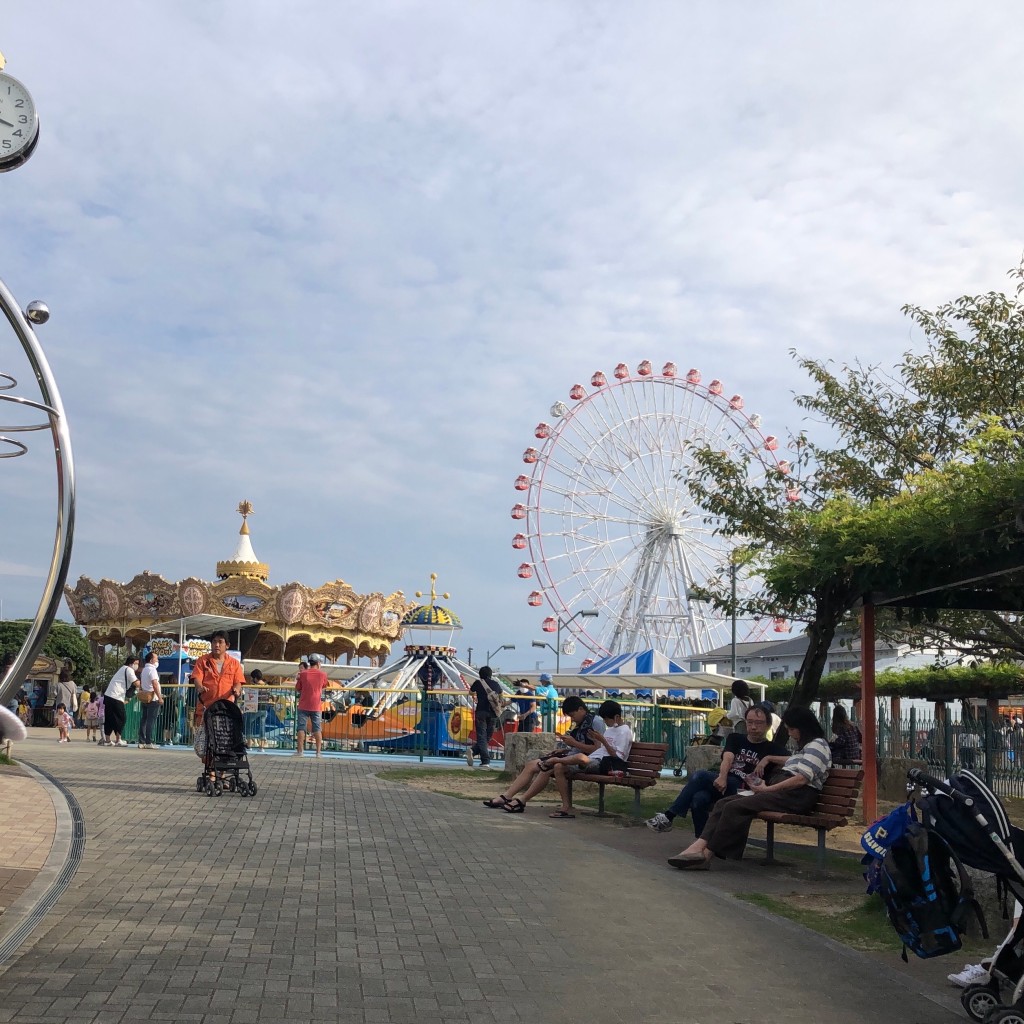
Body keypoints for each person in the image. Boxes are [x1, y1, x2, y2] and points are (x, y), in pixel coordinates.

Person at [666, 706, 832, 869]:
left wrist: (767, 790)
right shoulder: (807, 748)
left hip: (797, 796)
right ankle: (698, 847)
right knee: (723, 803)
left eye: (791, 729)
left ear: (802, 728)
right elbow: (792, 762)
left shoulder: (817, 745)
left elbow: (801, 779)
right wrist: (768, 759)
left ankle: (705, 856)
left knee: (734, 806)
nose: (789, 733)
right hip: (786, 792)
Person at [646, 703, 787, 835]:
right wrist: (722, 776)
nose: (753, 727)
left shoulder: (772, 748)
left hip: (745, 789)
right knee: (698, 799)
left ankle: (669, 816)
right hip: (724, 783)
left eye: (758, 723)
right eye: (750, 722)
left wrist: (768, 758)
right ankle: (702, 843)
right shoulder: (736, 738)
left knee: (700, 775)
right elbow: (728, 758)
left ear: (768, 725)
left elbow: (796, 759)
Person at [482, 695, 606, 813]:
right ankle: (507, 796)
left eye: (573, 716)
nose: (572, 719)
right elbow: (578, 747)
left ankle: (522, 800)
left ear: (581, 709)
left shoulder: (595, 722)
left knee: (546, 768)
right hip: (571, 755)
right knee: (531, 765)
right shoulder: (581, 722)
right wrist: (565, 749)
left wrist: (574, 743)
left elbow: (597, 749)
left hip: (585, 760)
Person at [549, 700, 633, 819]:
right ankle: (566, 806)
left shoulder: (625, 732)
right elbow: (601, 749)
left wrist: (603, 741)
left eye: (606, 719)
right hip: (595, 759)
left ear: (616, 717)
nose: (605, 722)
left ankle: (556, 760)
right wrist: (595, 740)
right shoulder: (609, 730)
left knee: (581, 758)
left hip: (607, 765)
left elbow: (617, 757)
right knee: (559, 768)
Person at [190, 631, 245, 773]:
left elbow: (238, 681)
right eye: (214, 641)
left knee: (224, 742)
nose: (217, 645)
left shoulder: (234, 663)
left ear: (227, 645)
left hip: (226, 711)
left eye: (220, 642)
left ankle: (221, 774)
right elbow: (196, 678)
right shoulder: (203, 661)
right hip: (206, 709)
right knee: (207, 743)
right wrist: (200, 687)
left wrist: (237, 690)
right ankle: (211, 772)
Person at [466, 666, 501, 768]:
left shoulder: (478, 683)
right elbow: (501, 694)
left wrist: (476, 695)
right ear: (490, 674)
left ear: (480, 674)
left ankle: (477, 754)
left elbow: (470, 692)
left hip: (481, 712)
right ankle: (483, 759)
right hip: (493, 713)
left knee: (482, 736)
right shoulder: (496, 684)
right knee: (488, 737)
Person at [103, 655, 139, 747]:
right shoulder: (129, 669)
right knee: (121, 717)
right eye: (136, 663)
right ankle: (118, 739)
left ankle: (107, 740)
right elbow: (136, 683)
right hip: (116, 696)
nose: (137, 666)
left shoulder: (123, 668)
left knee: (110, 718)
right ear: (131, 663)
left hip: (108, 695)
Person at [295, 654, 328, 756]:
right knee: (317, 728)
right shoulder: (323, 674)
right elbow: (324, 685)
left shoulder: (303, 674)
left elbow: (298, 688)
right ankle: (318, 752)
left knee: (301, 728)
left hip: (303, 704)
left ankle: (300, 751)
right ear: (318, 663)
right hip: (316, 705)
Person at [137, 650, 163, 749]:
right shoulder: (152, 670)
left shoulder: (144, 670)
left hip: (145, 697)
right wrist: (160, 697)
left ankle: (141, 741)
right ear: (152, 660)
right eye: (156, 658)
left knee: (144, 719)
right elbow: (155, 684)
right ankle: (148, 741)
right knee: (151, 720)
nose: (157, 660)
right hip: (153, 698)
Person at [245, 669, 267, 749]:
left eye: (252, 678)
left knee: (249, 723)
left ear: (255, 678)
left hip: (256, 708)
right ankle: (262, 744)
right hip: (264, 708)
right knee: (262, 725)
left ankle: (249, 742)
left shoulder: (255, 686)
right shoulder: (266, 686)